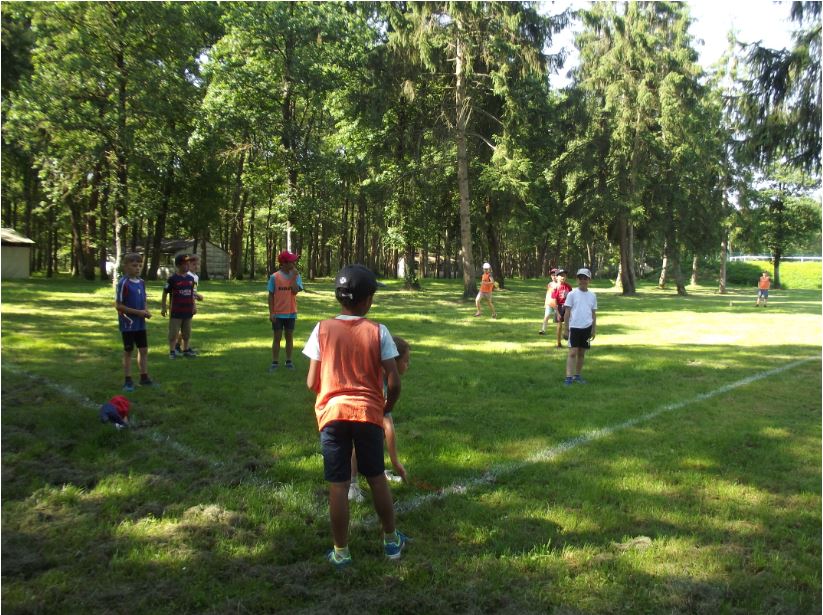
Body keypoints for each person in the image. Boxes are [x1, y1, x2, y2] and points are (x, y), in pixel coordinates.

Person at [302, 264, 409, 568]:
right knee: (376, 478)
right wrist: (388, 405)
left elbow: (311, 382)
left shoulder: (321, 328)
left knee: (338, 485)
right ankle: (391, 541)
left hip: (333, 416)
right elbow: (394, 380)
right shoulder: (379, 331)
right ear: (367, 300)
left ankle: (341, 551)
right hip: (367, 414)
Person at [349, 335, 410, 503]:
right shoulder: (381, 386)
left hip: (360, 411)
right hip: (351, 413)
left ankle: (378, 470)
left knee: (375, 434)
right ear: (393, 361)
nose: (408, 366)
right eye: (405, 361)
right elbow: (388, 427)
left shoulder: (383, 376)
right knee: (355, 442)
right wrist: (396, 463)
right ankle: (352, 485)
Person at [115, 253, 153, 391]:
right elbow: (118, 305)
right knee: (128, 350)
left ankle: (144, 377)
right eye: (134, 265)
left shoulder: (142, 282)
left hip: (140, 323)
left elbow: (143, 300)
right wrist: (138, 313)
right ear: (125, 266)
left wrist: (146, 311)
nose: (137, 268)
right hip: (128, 323)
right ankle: (128, 380)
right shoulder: (123, 283)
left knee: (143, 349)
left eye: (140, 265)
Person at [268, 250, 304, 371]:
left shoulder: (296, 276)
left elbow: (295, 291)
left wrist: (294, 277)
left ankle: (289, 361)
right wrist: (271, 312)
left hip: (291, 313)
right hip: (278, 314)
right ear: (284, 263)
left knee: (289, 336)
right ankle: (274, 362)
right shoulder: (274, 277)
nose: (294, 263)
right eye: (292, 261)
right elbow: (270, 295)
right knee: (277, 337)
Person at [562, 268, 597, 385]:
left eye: (585, 278)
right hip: (574, 327)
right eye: (580, 278)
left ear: (589, 280)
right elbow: (567, 312)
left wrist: (593, 329)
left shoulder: (592, 296)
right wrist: (566, 328)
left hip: (586, 327)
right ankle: (568, 377)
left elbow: (593, 313)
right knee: (572, 352)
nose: (583, 280)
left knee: (581, 353)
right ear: (577, 279)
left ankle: (577, 376)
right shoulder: (572, 294)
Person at [161, 254, 197, 359]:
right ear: (178, 265)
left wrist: (194, 306)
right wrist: (164, 307)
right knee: (174, 333)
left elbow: (191, 294)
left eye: (188, 263)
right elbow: (165, 292)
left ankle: (186, 349)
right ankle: (172, 351)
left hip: (188, 310)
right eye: (185, 264)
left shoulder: (191, 279)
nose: (187, 266)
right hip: (176, 311)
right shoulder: (172, 279)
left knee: (187, 332)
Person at [176, 253, 204, 353]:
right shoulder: (188, 276)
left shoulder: (195, 277)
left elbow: (192, 291)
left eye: (197, 264)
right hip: (185, 304)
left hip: (188, 303)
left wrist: (197, 296)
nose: (196, 266)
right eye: (193, 264)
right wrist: (195, 303)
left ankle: (180, 346)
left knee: (184, 327)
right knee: (184, 327)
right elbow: (190, 293)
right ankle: (180, 346)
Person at [551, 269, 573, 349]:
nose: (563, 277)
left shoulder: (568, 286)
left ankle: (570, 342)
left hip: (567, 307)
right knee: (559, 325)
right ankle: (558, 343)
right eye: (561, 275)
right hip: (559, 307)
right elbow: (554, 300)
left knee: (569, 325)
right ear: (556, 277)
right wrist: (557, 312)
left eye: (564, 275)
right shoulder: (555, 288)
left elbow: (572, 298)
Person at [539, 268, 559, 335]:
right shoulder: (550, 284)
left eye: (555, 275)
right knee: (546, 316)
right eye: (552, 275)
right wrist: (546, 302)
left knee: (559, 319)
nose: (554, 277)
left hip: (557, 304)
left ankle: (559, 331)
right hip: (549, 303)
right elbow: (548, 294)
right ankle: (543, 330)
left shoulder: (560, 284)